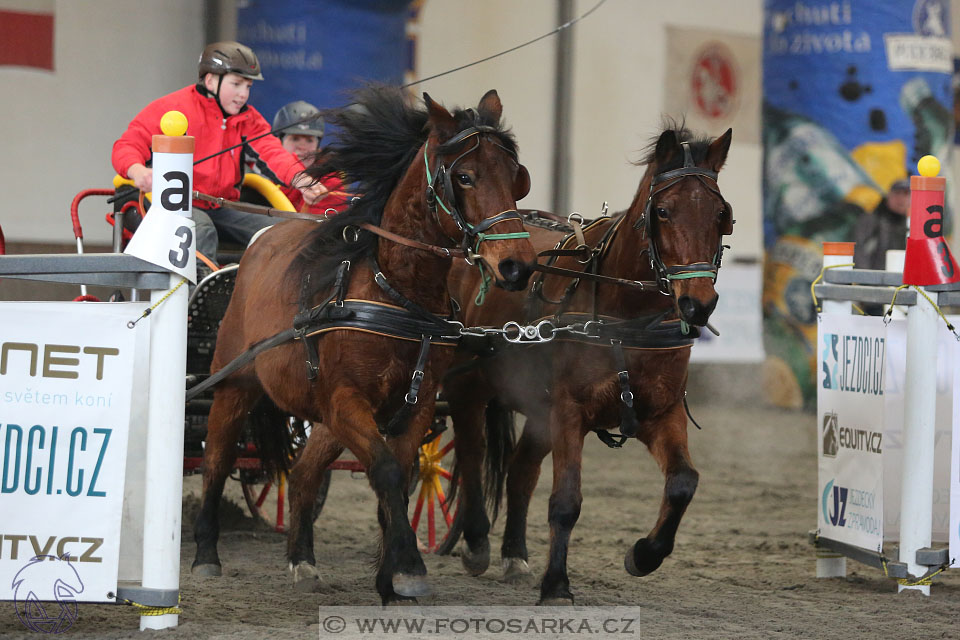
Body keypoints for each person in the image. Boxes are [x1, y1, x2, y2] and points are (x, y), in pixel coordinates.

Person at [111, 41, 327, 264]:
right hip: (166, 204)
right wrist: (138, 171)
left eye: (248, 87)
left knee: (283, 232)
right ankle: (202, 298)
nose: (243, 94)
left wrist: (301, 179)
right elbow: (126, 146)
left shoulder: (248, 119)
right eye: (236, 84)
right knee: (201, 229)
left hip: (219, 206)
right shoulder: (172, 107)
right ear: (211, 80)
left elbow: (272, 152)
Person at [271, 100, 349, 215]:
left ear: (318, 148)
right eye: (295, 138)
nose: (302, 147)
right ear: (279, 142)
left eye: (309, 140)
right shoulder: (259, 176)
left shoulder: (329, 183)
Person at [853, 178, 910, 271]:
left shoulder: (905, 227)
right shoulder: (871, 220)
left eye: (906, 194)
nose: (901, 199)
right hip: (871, 281)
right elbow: (858, 250)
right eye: (897, 193)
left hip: (892, 282)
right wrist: (866, 280)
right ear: (889, 196)